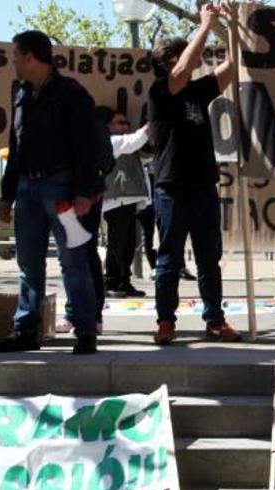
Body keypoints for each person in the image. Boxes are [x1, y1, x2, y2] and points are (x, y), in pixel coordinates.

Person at [0, 30, 102, 354]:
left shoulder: (71, 93)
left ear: (30, 58)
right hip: (27, 188)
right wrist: (7, 194)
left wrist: (85, 192)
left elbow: (89, 146)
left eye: (16, 55)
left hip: (63, 189)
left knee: (74, 260)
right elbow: (16, 146)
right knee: (28, 262)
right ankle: (26, 329)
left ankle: (85, 330)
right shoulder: (21, 94)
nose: (12, 61)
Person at [147, 1, 241, 345]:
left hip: (203, 185)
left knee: (208, 258)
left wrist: (229, 28)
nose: (190, 60)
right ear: (166, 64)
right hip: (172, 188)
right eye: (180, 56)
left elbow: (231, 67)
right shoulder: (161, 92)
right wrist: (203, 25)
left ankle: (214, 320)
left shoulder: (197, 92)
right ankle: (166, 321)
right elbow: (182, 71)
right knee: (169, 259)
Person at [99, 107, 149, 298]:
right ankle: (111, 280)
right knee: (117, 243)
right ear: (108, 126)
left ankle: (123, 280)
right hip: (116, 200)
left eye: (127, 123)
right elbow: (135, 140)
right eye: (120, 122)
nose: (125, 126)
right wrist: (151, 123)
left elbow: (145, 153)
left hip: (130, 199)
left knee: (129, 243)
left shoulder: (126, 143)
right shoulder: (112, 142)